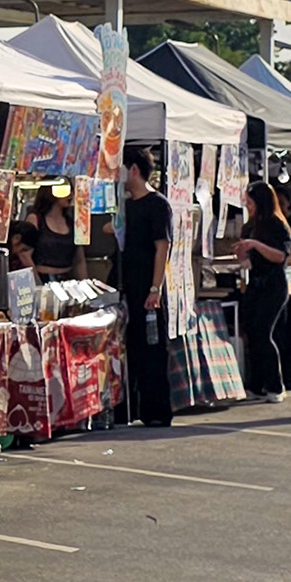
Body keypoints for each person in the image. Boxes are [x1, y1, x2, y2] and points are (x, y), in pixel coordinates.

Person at [112, 139, 175, 428]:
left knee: (153, 349)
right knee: (132, 349)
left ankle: (157, 411)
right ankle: (131, 409)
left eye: (122, 169)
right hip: (125, 283)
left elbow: (163, 247)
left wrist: (155, 288)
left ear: (134, 170)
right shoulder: (125, 205)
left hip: (148, 288)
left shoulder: (157, 204)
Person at [235, 180, 291, 402]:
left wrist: (255, 245)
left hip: (273, 284)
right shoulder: (249, 226)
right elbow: (246, 261)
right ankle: (256, 384)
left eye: (251, 202)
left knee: (263, 332)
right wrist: (242, 253)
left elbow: (280, 256)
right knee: (252, 333)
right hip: (255, 282)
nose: (248, 206)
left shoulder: (277, 225)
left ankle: (275, 385)